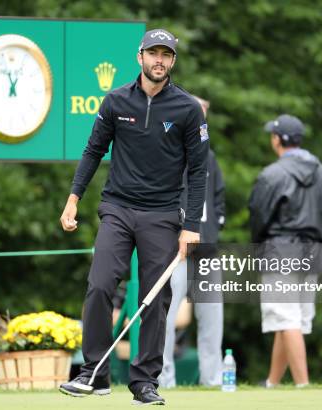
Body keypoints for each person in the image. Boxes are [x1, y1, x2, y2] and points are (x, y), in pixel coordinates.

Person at [58, 28, 209, 405]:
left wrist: (192, 226)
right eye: (153, 53)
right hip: (118, 209)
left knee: (155, 298)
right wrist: (73, 199)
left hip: (162, 215)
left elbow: (198, 170)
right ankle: (95, 373)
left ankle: (145, 382)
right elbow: (93, 151)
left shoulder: (188, 108)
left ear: (172, 62)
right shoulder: (115, 101)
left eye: (166, 55)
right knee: (99, 285)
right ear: (139, 57)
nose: (159, 60)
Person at [248, 114, 322, 387]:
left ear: (277, 140)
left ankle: (303, 387)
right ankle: (272, 382)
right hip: (313, 250)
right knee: (291, 320)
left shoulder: (273, 174)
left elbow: (258, 216)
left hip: (281, 250)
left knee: (287, 320)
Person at [159, 96, 225, 388]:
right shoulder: (169, 149)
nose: (202, 119)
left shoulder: (209, 155)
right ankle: (163, 380)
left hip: (207, 247)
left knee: (212, 319)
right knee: (166, 316)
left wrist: (212, 229)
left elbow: (218, 198)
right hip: (176, 247)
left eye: (205, 114)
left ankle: (213, 381)